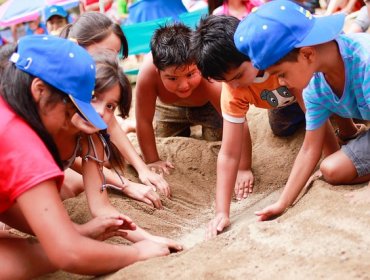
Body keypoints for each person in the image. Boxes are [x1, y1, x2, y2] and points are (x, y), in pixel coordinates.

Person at [0, 35, 173, 279]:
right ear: (39, 90)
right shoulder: (21, 139)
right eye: (70, 108)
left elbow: (4, 204)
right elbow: (68, 254)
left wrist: (75, 231)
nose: (74, 118)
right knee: (39, 256)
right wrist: (136, 253)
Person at [234, 0, 370, 219]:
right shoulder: (314, 85)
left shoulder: (364, 60)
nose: (280, 83)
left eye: (281, 74)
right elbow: (309, 149)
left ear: (307, 54)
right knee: (331, 169)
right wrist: (282, 203)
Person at [191, 14, 313, 239]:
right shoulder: (233, 90)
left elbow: (316, 118)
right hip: (283, 102)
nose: (235, 84)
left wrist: (335, 147)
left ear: (252, 50)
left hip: (312, 85)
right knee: (281, 128)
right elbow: (228, 154)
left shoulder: (279, 61)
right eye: (226, 81)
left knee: (325, 112)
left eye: (238, 75)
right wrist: (222, 212)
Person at [60, 11, 170, 201]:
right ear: (77, 46)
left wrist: (142, 169)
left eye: (115, 56)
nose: (111, 62)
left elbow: (106, 123)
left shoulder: (93, 79)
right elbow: (71, 158)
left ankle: (124, 125)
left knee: (107, 163)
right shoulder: (60, 82)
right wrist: (125, 185)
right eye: (104, 53)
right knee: (73, 187)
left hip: (78, 142)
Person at [135, 22, 223, 176]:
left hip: (208, 107)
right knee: (166, 140)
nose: (183, 85)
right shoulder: (147, 73)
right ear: (158, 70)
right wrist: (152, 160)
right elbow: (143, 120)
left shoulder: (207, 66)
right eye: (172, 78)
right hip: (169, 109)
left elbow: (233, 118)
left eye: (190, 74)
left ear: (198, 63)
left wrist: (242, 166)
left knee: (217, 141)